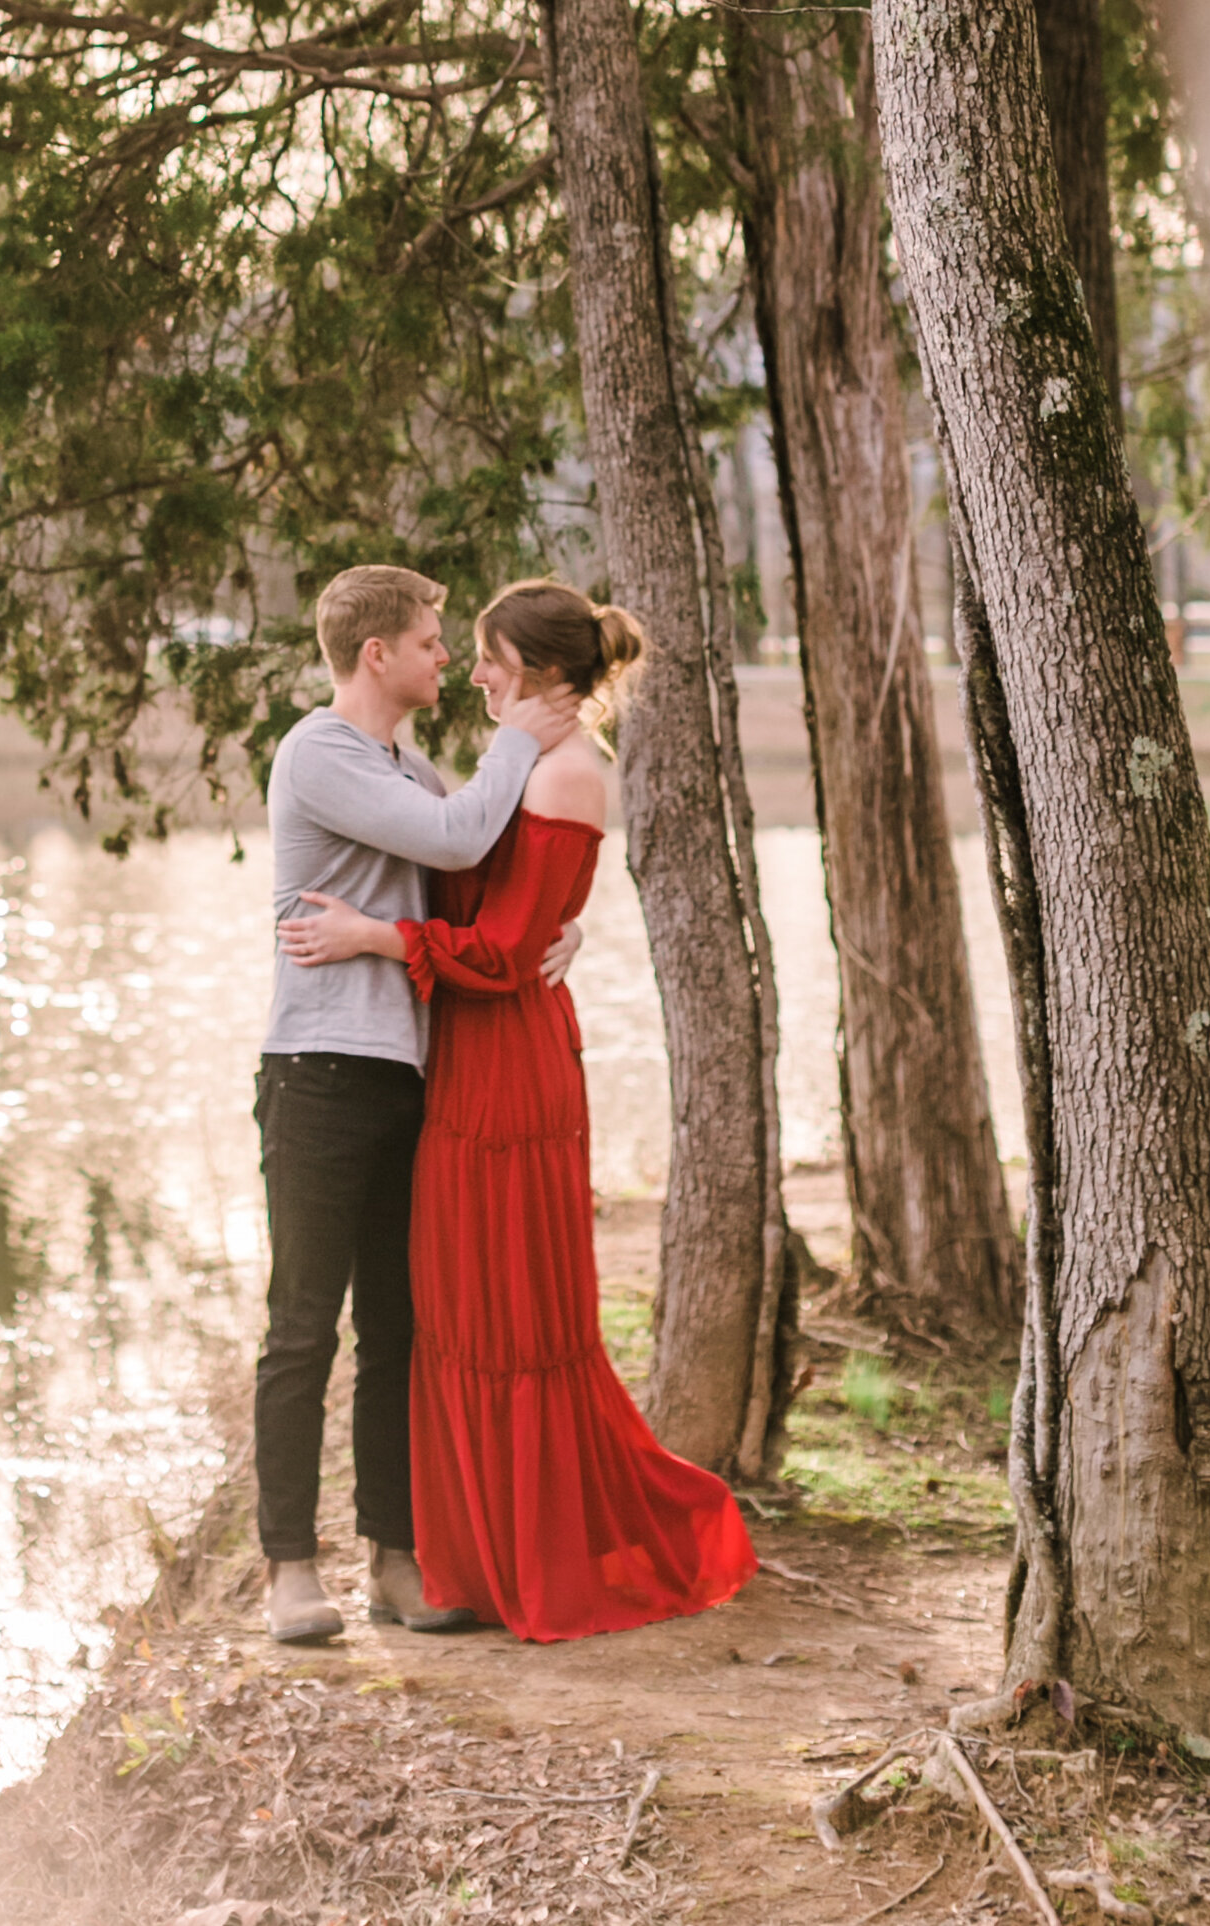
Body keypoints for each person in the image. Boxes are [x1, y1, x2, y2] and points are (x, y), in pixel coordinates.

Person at [280, 579, 757, 1643]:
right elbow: (469, 881)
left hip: (505, 1066)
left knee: (508, 1320)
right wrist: (533, 925)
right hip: (466, 1058)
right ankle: (466, 1556)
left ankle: (521, 1561)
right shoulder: (516, 769)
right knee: (458, 1317)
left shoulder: (570, 774)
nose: (470, 670)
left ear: (538, 674)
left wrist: (380, 940)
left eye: (486, 655)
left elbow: (498, 952)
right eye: (451, 646)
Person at [253, 562, 587, 1646]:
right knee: (304, 1327)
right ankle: (287, 1572)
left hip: (410, 1073)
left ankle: (392, 1563)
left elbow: (483, 872)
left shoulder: (411, 763)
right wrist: (520, 738)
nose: (448, 658)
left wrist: (559, 927)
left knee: (399, 1328)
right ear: (375, 655)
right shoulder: (318, 753)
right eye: (433, 641)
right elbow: (456, 839)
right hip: (316, 1073)